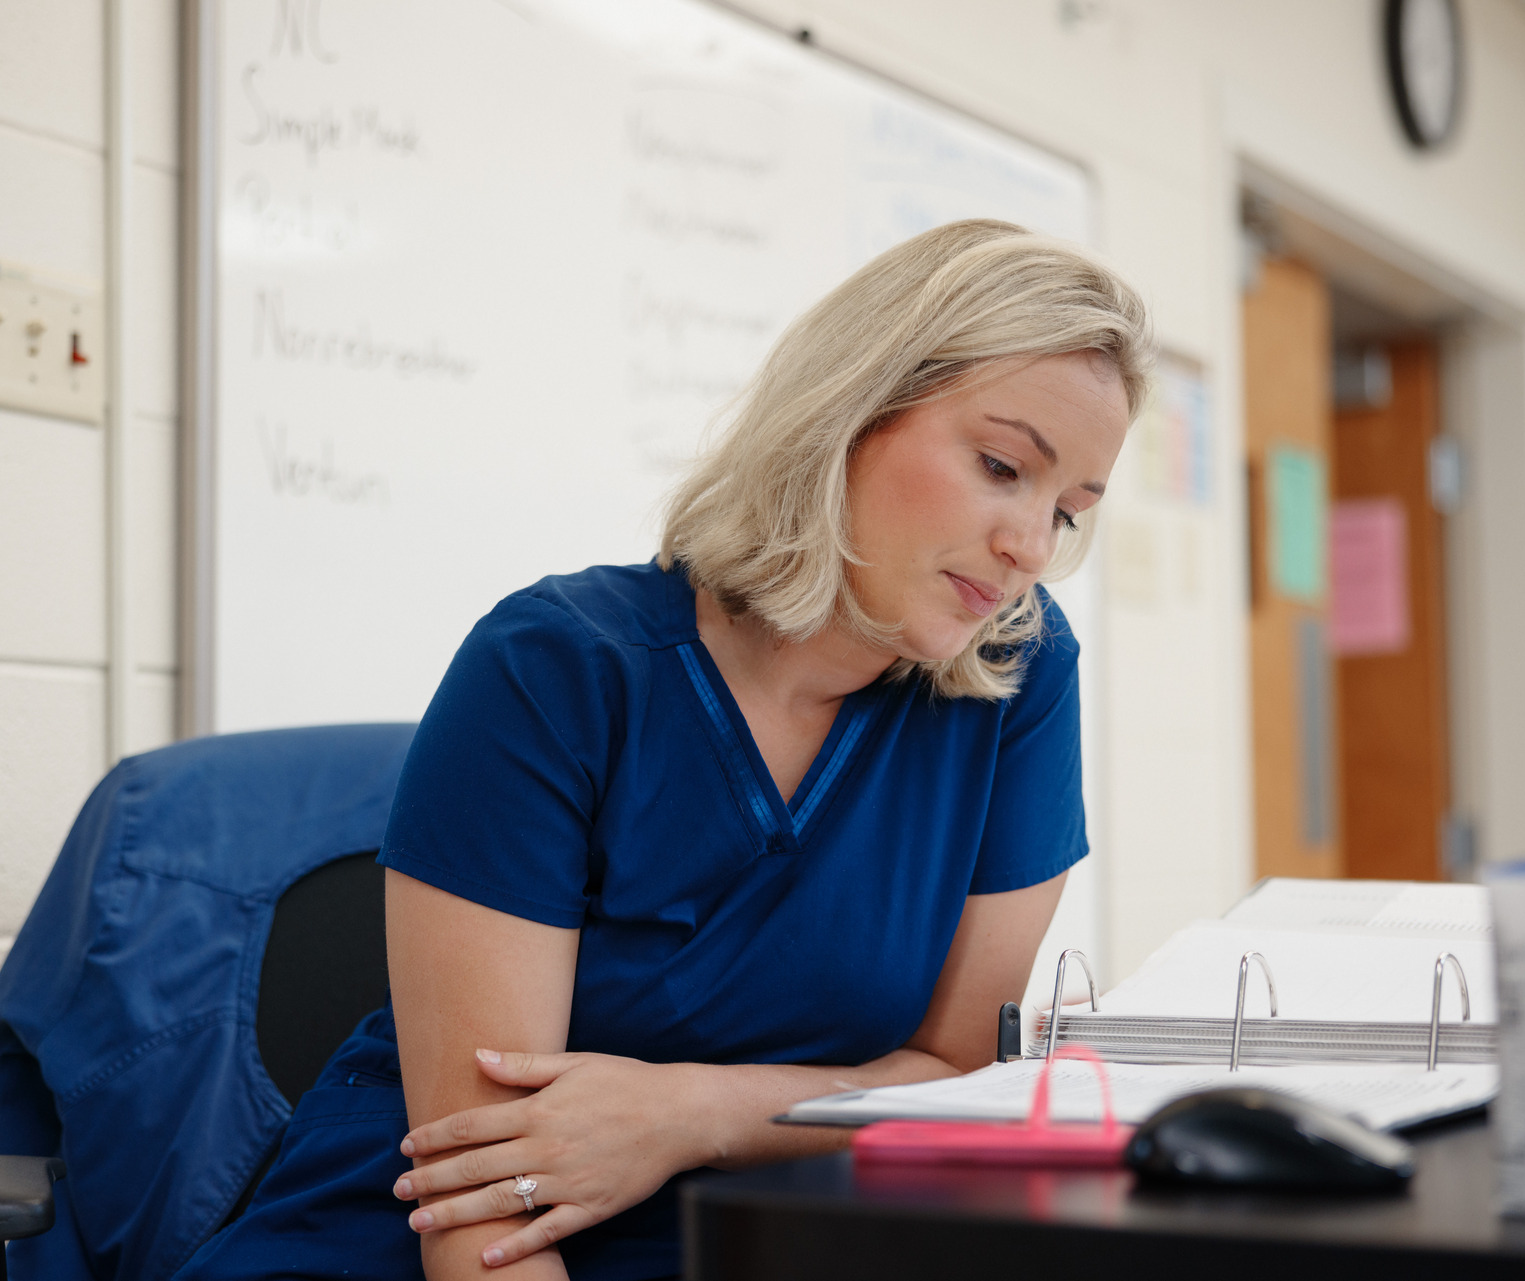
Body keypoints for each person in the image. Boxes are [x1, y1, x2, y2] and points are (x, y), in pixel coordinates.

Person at [175, 218, 1152, 1281]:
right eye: (1003, 466)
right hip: (430, 1237)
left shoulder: (1017, 675)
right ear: (853, 412)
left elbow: (962, 1073)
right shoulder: (554, 669)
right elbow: (480, 1209)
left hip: (753, 1223)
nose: (1028, 550)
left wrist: (691, 1112)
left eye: (1067, 512)